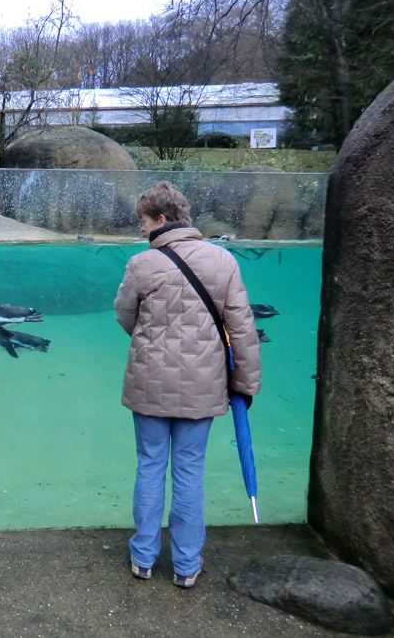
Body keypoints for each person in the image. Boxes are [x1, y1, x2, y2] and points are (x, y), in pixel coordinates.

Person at [113, 181, 261, 588]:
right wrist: (245, 385)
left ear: (161, 220)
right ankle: (186, 566)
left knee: (150, 465)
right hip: (203, 385)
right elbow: (242, 329)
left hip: (149, 383)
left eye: (143, 222)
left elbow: (126, 316)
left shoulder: (142, 265)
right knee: (190, 471)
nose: (141, 230)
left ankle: (143, 558)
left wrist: (153, 343)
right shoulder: (224, 261)